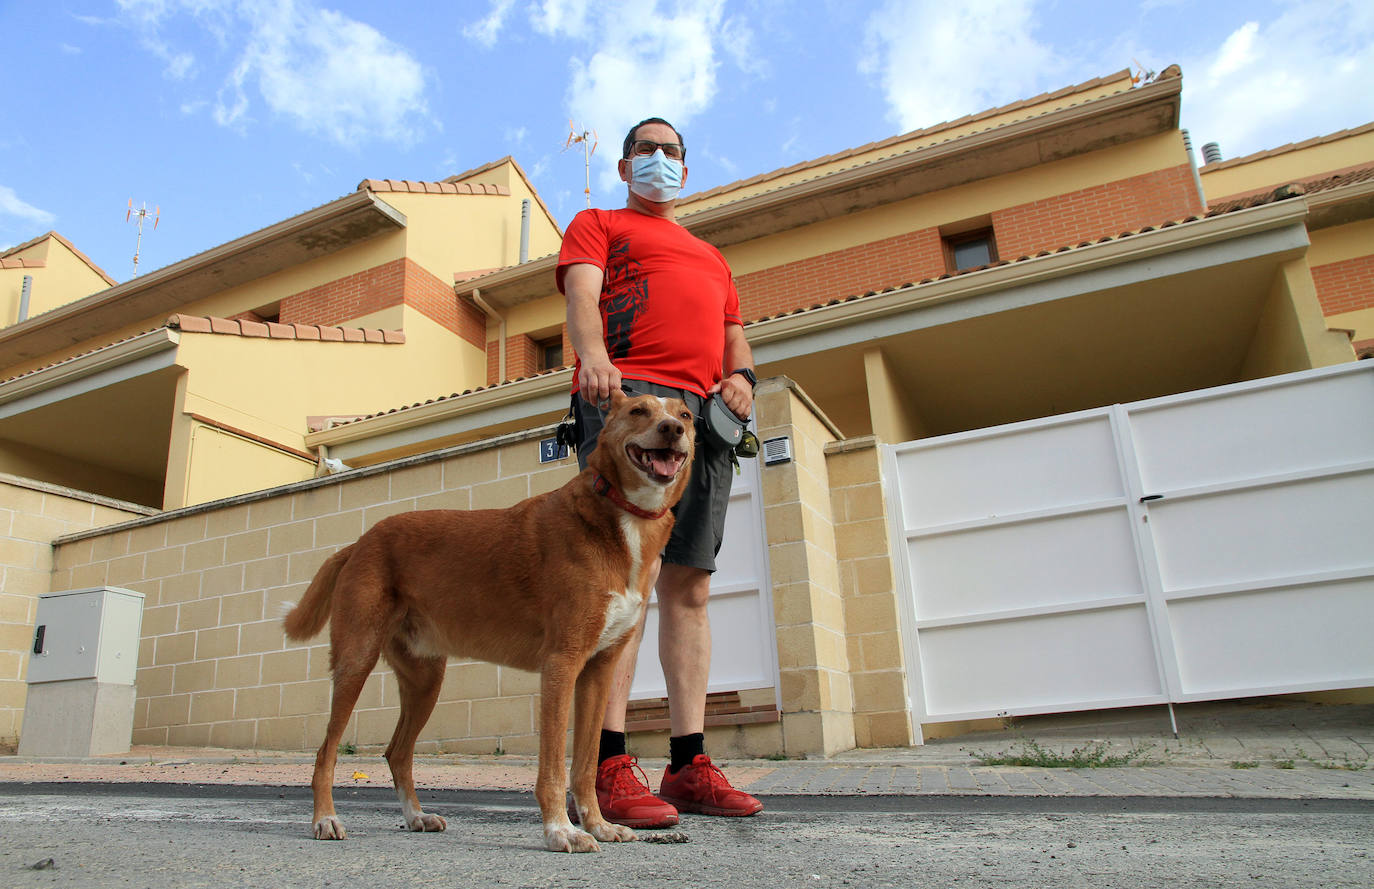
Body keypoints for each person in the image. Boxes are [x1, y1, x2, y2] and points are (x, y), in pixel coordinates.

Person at [557, 117, 763, 827]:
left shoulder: (711, 256)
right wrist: (594, 358)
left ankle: (688, 763)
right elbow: (582, 294)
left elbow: (733, 330)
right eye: (646, 149)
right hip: (627, 402)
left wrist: (741, 376)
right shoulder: (598, 223)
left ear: (685, 167)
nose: (659, 159)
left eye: (671, 151)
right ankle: (605, 763)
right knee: (620, 585)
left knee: (690, 585)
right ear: (623, 166)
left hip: (700, 417)